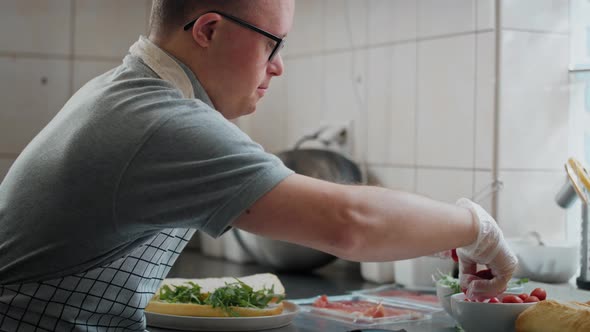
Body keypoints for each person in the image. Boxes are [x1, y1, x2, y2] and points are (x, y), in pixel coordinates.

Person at [0, 0, 517, 331]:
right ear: (208, 29)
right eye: (273, 42)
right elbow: (351, 223)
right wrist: (478, 227)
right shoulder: (158, 119)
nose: (279, 64)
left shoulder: (129, 92)